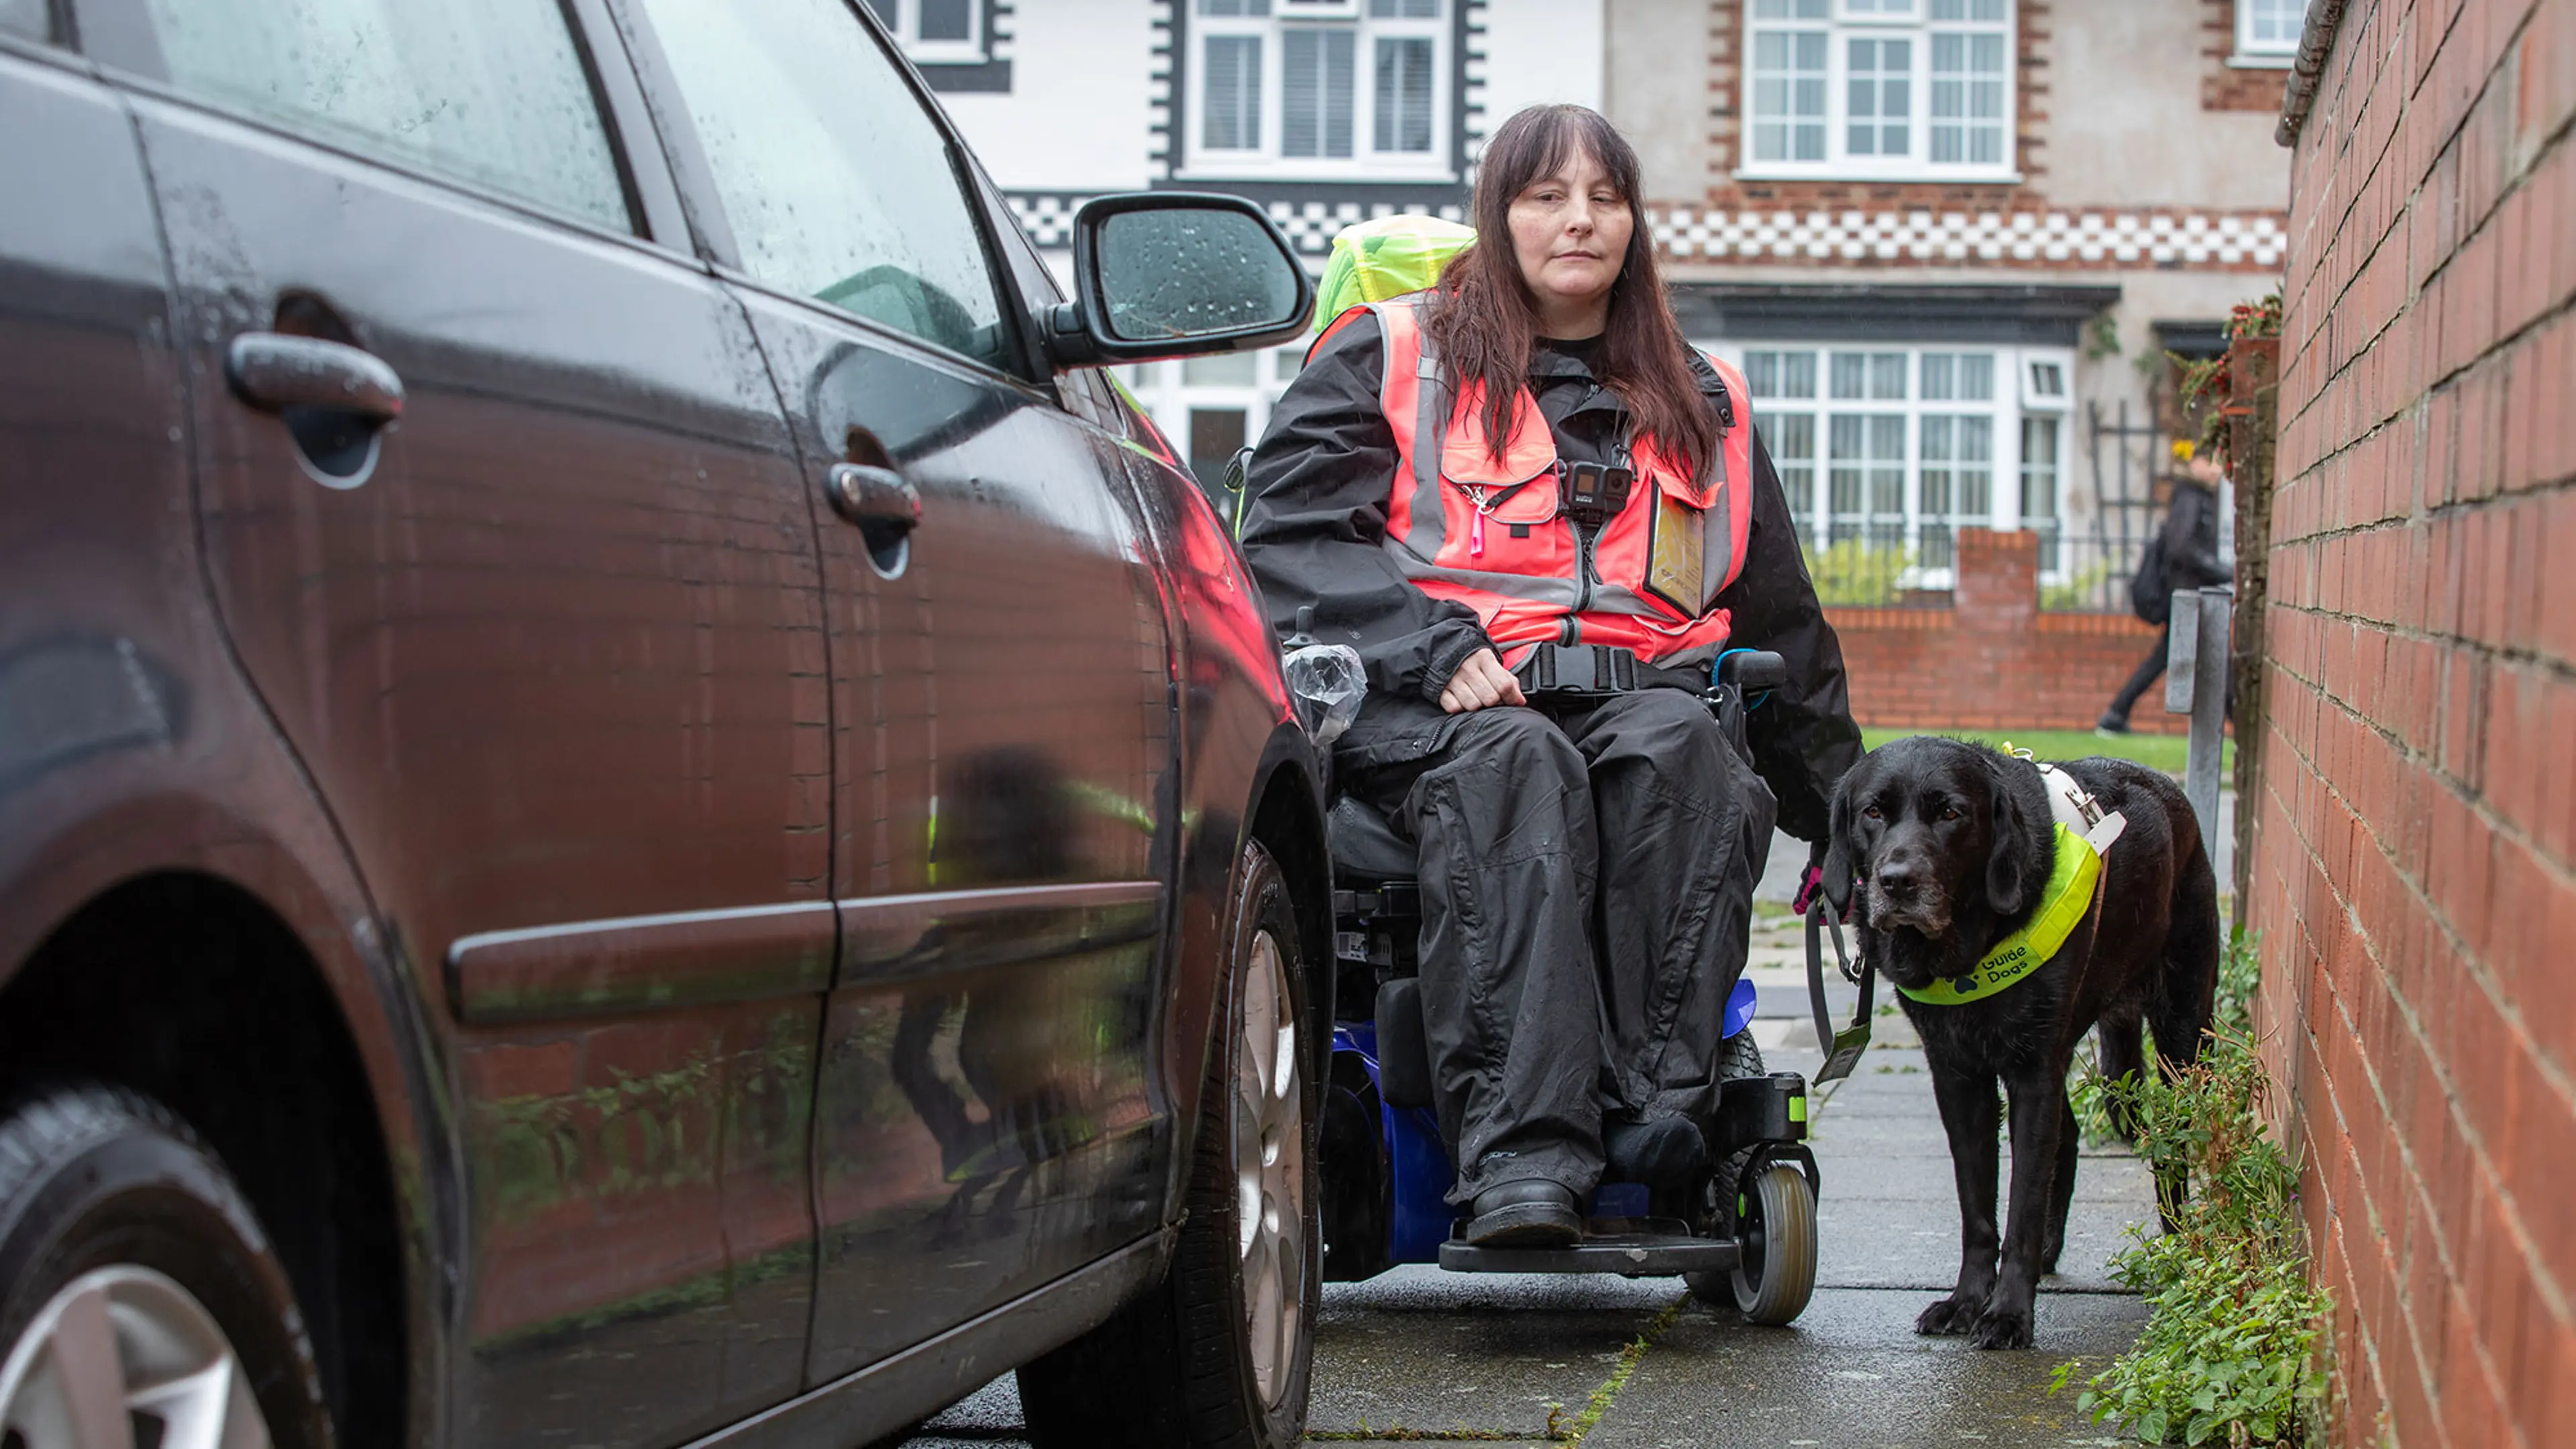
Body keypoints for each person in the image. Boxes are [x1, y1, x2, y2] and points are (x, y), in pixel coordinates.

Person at [1236, 104, 1860, 1248]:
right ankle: (1522, 1158)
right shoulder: (1395, 354)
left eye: (1605, 197)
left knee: (1688, 758)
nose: (1578, 219)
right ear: (1500, 214)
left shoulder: (1706, 399)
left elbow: (1782, 610)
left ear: (1634, 221)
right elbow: (1285, 539)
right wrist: (1428, 647)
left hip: (1643, 700)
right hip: (1441, 709)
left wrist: (1846, 818)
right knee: (1519, 763)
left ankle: (1652, 1119)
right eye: (1545, 195)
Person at [2099, 444, 2233, 735]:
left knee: (2173, 657)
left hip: (2188, 596)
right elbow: (2182, 548)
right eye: (2210, 462)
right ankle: (2239, 719)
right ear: (2195, 463)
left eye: (2220, 463)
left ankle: (2116, 713)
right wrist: (2223, 572)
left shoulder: (2195, 496)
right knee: (2216, 661)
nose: (2216, 470)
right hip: (2186, 597)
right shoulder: (2191, 497)